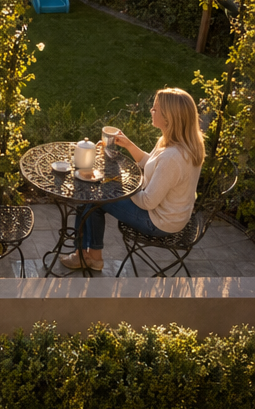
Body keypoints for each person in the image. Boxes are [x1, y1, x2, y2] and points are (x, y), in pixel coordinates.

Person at [61, 88, 204, 272]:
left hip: (159, 222)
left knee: (93, 197)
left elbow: (147, 201)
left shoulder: (172, 157)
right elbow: (150, 163)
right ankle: (90, 256)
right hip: (172, 215)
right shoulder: (176, 144)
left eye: (155, 109)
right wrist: (128, 144)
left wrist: (121, 182)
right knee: (95, 195)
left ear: (169, 118)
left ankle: (86, 256)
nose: (151, 111)